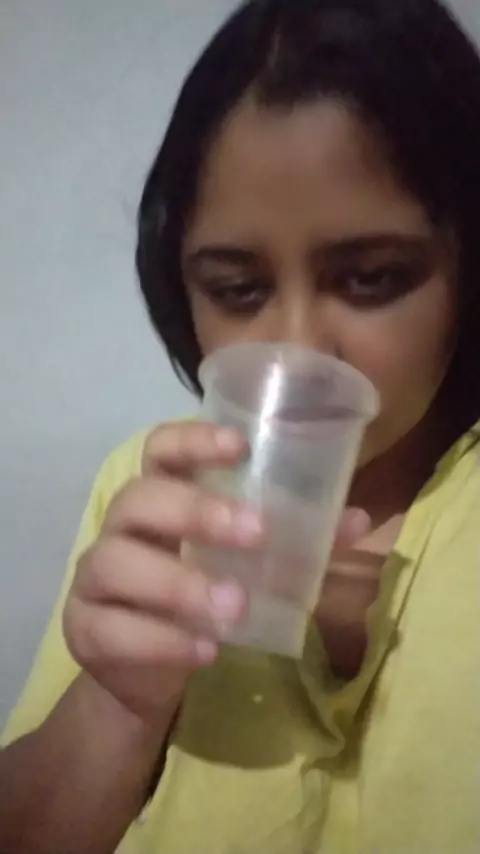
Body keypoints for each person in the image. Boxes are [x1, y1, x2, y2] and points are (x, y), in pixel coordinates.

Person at [1, 0, 480, 851]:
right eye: (237, 289)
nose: (297, 349)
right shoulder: (152, 486)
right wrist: (118, 702)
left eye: (372, 277)